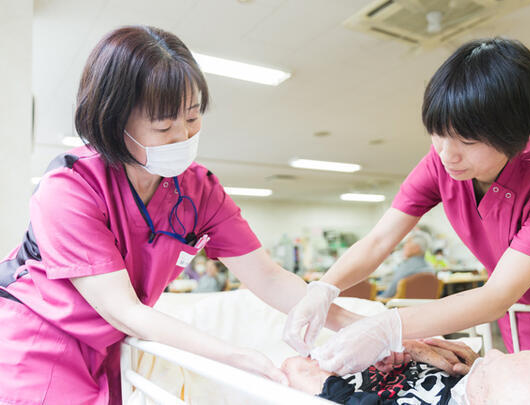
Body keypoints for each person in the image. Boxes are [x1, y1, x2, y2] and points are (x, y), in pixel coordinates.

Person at [0, 26, 362, 404]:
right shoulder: (71, 188)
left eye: (192, 118)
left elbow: (268, 277)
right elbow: (125, 309)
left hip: (110, 343)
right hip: (41, 340)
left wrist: (358, 325)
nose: (183, 136)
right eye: (164, 125)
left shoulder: (198, 190)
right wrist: (232, 356)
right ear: (114, 120)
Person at [283, 37, 530, 391]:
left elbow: (496, 295)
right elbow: (379, 240)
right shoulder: (440, 164)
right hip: (521, 317)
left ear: (515, 136)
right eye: (438, 134)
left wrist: (390, 327)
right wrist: (324, 288)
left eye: (467, 141)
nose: (448, 155)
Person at [282, 339, 530, 405]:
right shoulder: (467, 370)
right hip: (356, 355)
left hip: (317, 373)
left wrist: (322, 382)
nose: (493, 353)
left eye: (487, 370)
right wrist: (402, 348)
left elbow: (295, 370)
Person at [381, 230, 434, 298]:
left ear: (416, 248)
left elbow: (389, 294)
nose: (404, 246)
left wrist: (379, 298)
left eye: (407, 243)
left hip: (399, 306)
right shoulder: (430, 268)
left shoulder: (406, 266)